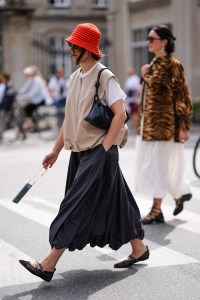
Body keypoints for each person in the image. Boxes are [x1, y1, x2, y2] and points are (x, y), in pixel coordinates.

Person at [19, 23, 149, 282]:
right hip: (81, 152)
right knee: (116, 202)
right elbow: (71, 119)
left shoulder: (104, 76)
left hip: (100, 151)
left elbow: (120, 114)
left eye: (73, 46)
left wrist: (104, 148)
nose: (70, 49)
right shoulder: (75, 77)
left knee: (75, 204)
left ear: (86, 48)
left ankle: (48, 263)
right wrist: (55, 151)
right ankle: (139, 248)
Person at [133, 25, 193, 225]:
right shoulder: (154, 63)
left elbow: (181, 96)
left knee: (158, 166)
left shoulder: (173, 64)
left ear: (164, 42)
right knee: (155, 165)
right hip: (149, 125)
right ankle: (179, 194)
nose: (148, 42)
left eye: (152, 38)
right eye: (148, 38)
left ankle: (156, 210)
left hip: (164, 125)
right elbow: (147, 96)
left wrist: (184, 125)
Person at [18, 65, 48, 131]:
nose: (27, 75)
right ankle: (31, 122)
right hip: (34, 99)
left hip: (40, 100)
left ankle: (30, 124)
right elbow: (25, 88)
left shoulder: (38, 80)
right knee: (25, 107)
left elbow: (35, 92)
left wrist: (26, 96)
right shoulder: (30, 79)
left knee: (28, 108)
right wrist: (18, 93)